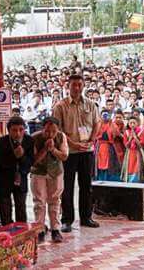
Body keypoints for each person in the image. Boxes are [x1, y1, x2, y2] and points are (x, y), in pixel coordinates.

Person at [54, 74, 100, 232]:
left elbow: (96, 123)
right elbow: (57, 130)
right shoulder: (60, 106)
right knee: (67, 186)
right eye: (74, 85)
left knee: (86, 185)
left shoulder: (90, 104)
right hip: (69, 152)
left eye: (80, 85)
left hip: (87, 151)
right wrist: (72, 143)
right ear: (68, 86)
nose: (77, 88)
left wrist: (91, 140)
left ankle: (86, 217)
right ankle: (67, 220)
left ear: (83, 86)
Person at [31, 117, 69, 243]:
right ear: (43, 129)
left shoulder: (61, 137)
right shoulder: (35, 138)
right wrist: (45, 149)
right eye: (47, 131)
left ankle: (55, 229)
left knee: (55, 200)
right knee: (39, 202)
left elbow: (64, 156)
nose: (50, 134)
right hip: (38, 172)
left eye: (54, 131)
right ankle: (40, 230)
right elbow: (34, 160)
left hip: (56, 172)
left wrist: (53, 149)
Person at [0, 116, 33, 225]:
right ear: (9, 130)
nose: (18, 133)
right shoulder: (1, 142)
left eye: (21, 130)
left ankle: (21, 235)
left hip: (21, 178)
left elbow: (30, 163)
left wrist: (22, 156)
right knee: (5, 210)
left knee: (21, 208)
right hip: (4, 179)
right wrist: (13, 156)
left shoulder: (29, 140)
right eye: (14, 130)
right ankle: (6, 234)